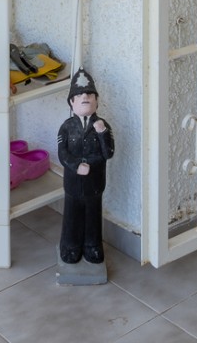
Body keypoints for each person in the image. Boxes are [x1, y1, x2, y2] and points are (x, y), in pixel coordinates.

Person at [56, 68, 114, 265]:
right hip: (73, 182)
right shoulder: (67, 126)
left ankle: (92, 246)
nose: (85, 97)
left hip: (94, 183)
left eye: (89, 94)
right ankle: (70, 246)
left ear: (97, 101)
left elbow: (109, 153)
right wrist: (75, 166)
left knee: (92, 215)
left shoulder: (102, 125)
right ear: (72, 103)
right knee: (72, 216)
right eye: (79, 95)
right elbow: (62, 153)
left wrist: (103, 133)